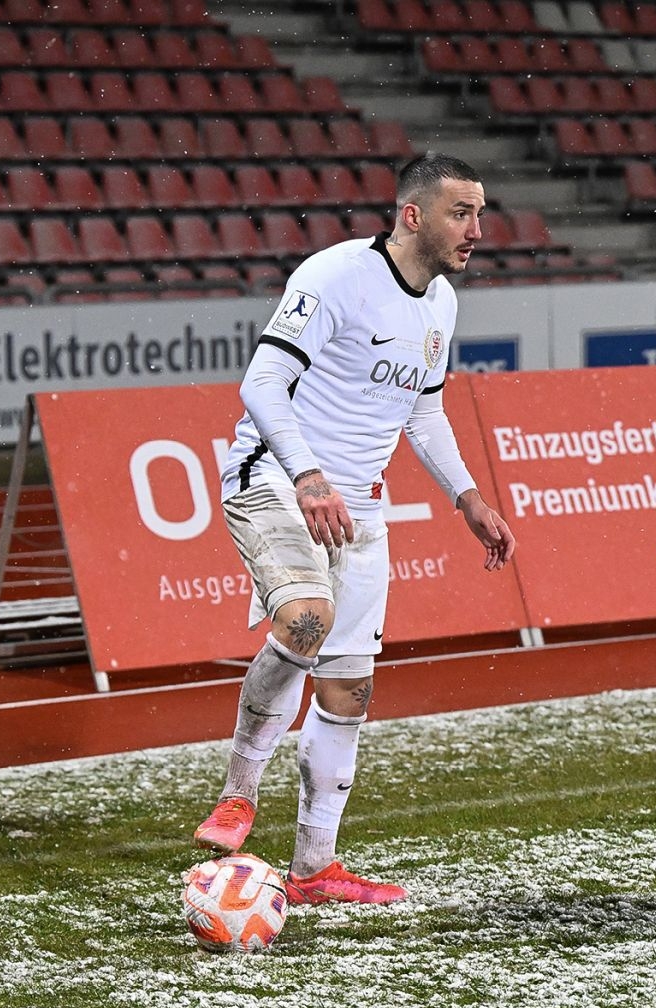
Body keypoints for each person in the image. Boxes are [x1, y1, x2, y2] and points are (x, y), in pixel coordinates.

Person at [191, 153, 515, 903]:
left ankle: (313, 869)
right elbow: (261, 383)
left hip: (361, 508)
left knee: (349, 693)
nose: (476, 230)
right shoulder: (335, 275)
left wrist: (467, 497)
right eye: (460, 213)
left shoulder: (441, 304)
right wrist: (307, 475)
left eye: (480, 213)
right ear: (413, 215)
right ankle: (240, 791)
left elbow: (424, 412)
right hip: (275, 476)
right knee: (306, 618)